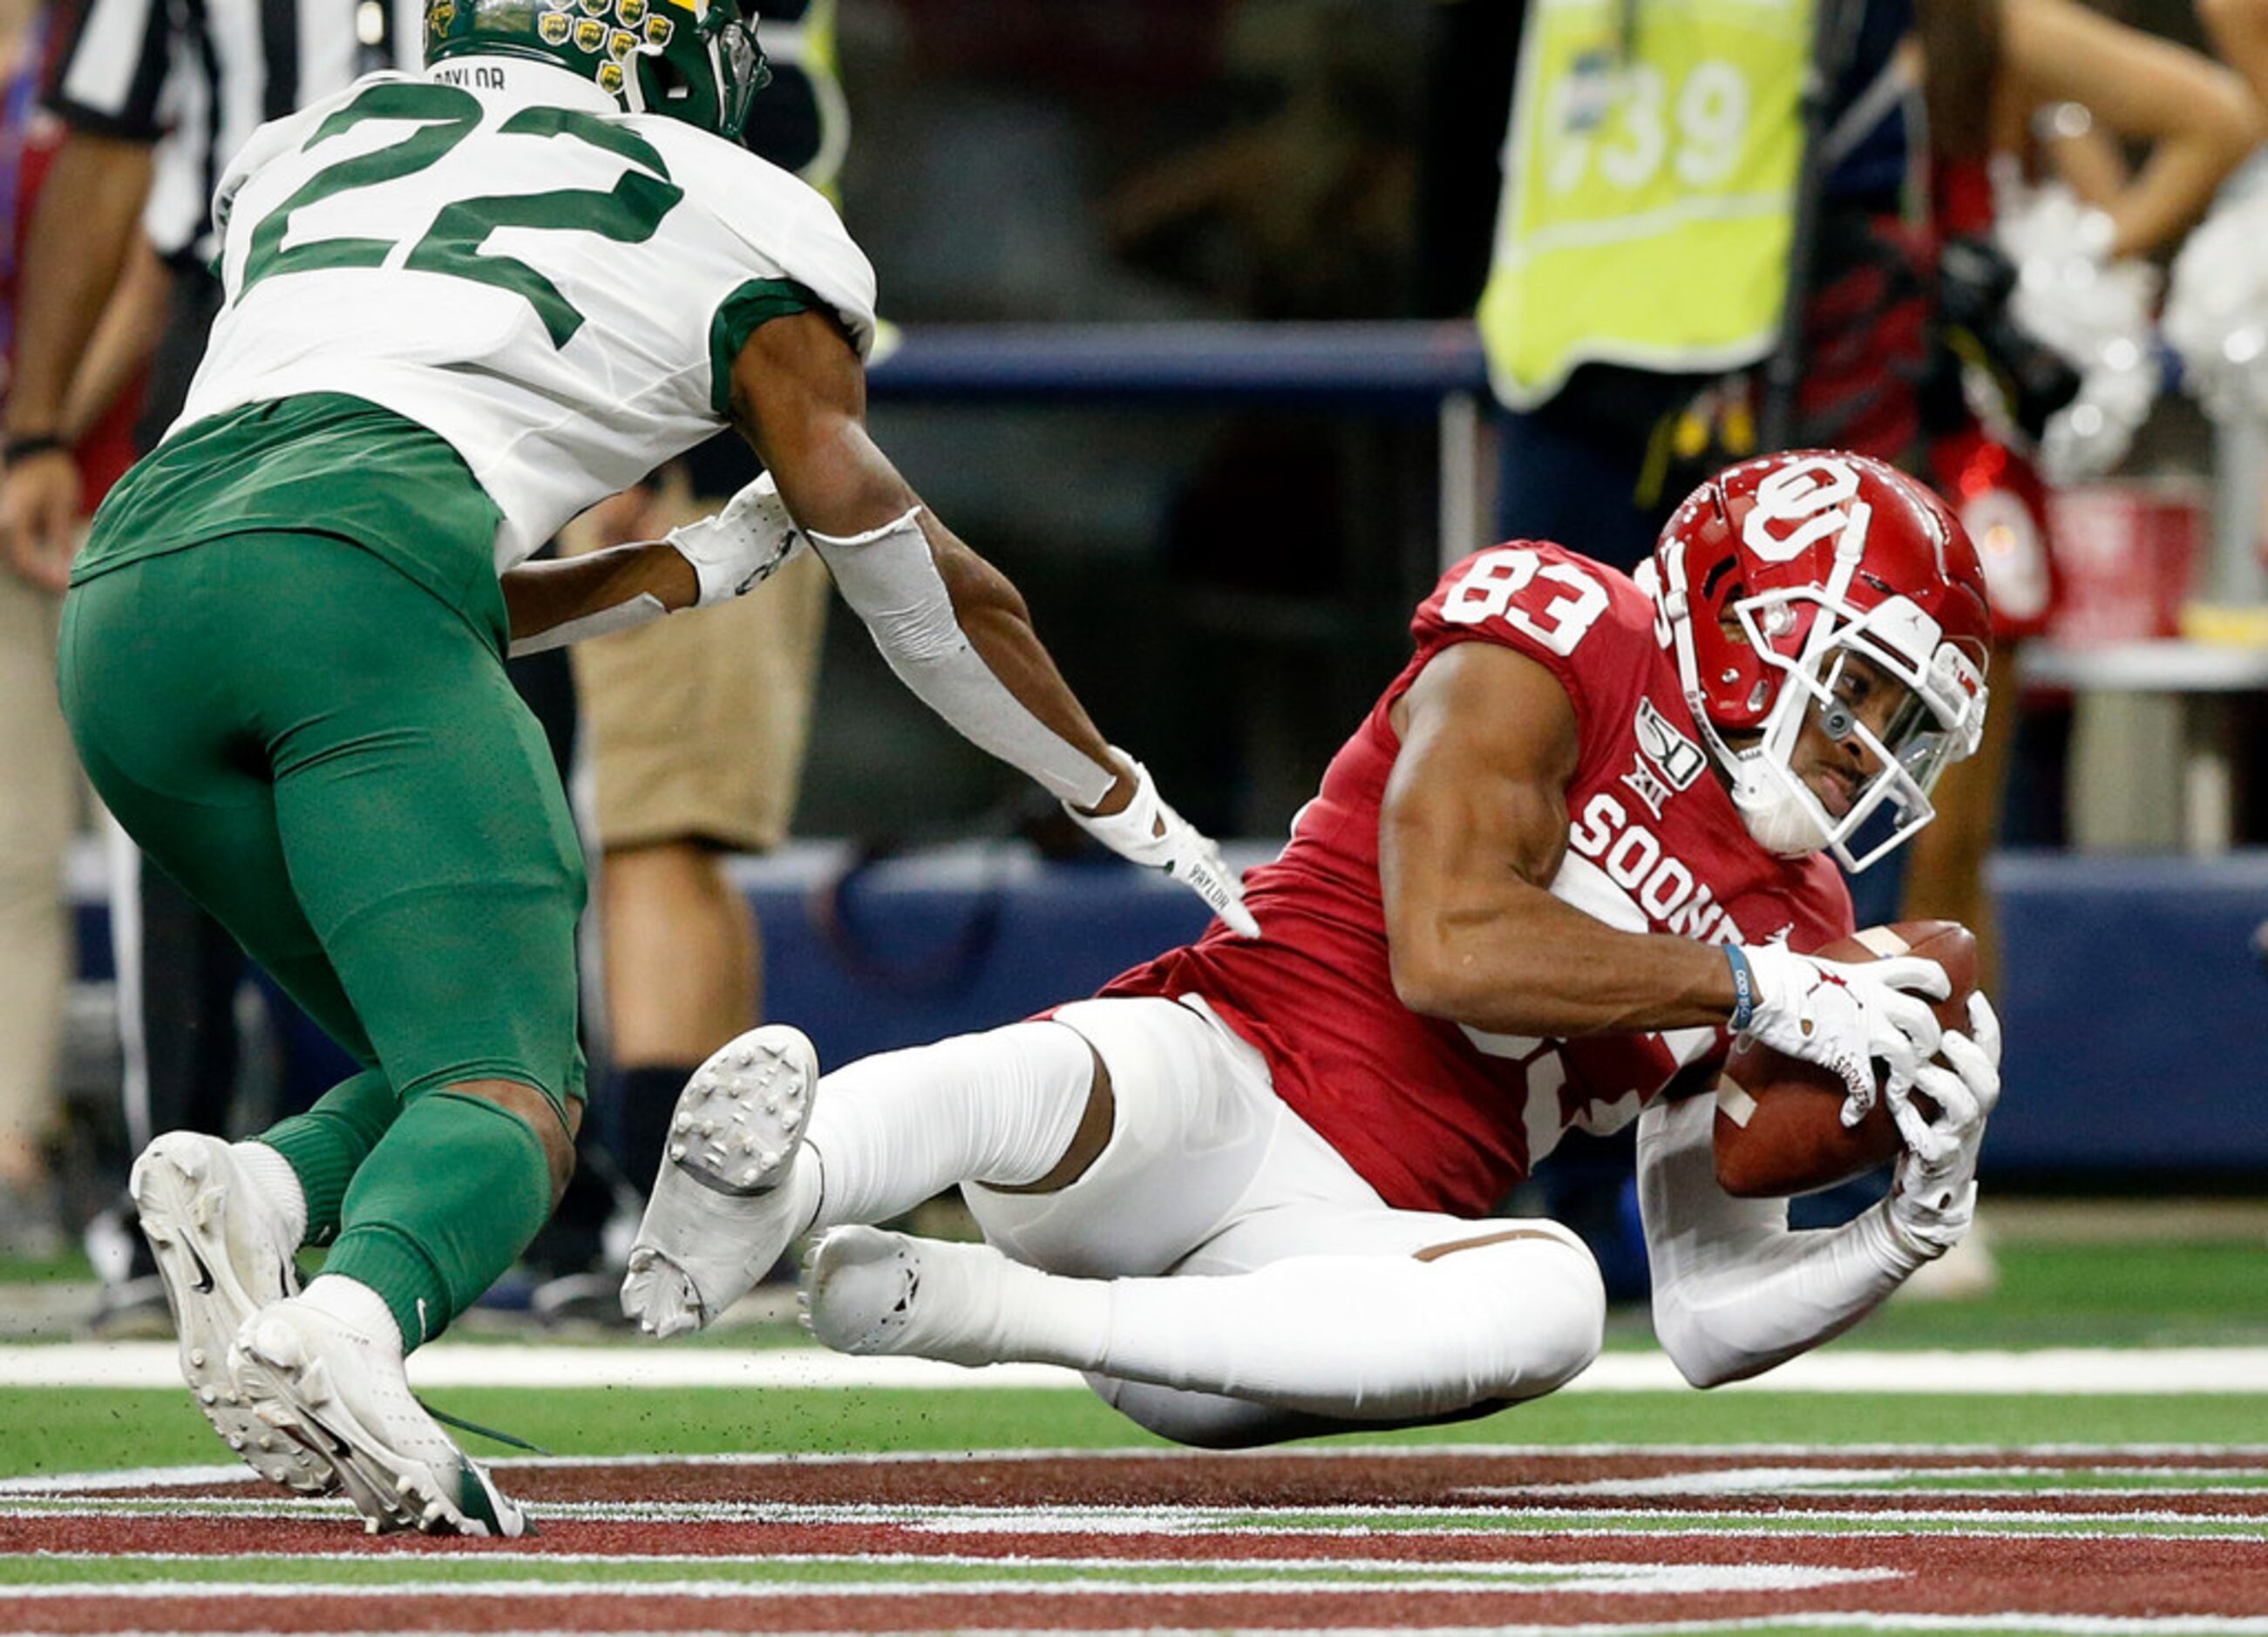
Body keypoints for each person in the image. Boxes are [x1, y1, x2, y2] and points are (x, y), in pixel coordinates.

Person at [62, 0, 1253, 1537]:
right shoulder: (746, 213)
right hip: (352, 595)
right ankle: (345, 1325)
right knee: (513, 1094)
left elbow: (350, 507)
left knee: (436, 1062)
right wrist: (1115, 792)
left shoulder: (314, 151)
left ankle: (268, 1198)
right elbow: (926, 589)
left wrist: (667, 573)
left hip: (132, 602)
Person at [625, 450, 2004, 1443]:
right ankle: (774, 1181)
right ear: (1733, 601)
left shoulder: (1801, 917)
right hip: (1213, 1086)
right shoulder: (1570, 629)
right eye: (1858, 688)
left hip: (1304, 1284)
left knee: (1558, 1301)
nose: (1863, 753)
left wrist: (1895, 1231)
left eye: (1906, 726)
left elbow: (1705, 1310)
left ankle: (981, 1309)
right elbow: (1449, 949)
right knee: (1098, 1064)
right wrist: (1752, 982)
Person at [2, 0, 425, 1330]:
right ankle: (172, 1202)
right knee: (189, 753)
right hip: (240, 313)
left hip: (454, 330)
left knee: (475, 748)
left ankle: (479, 1184)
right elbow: (111, 143)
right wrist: (41, 427)